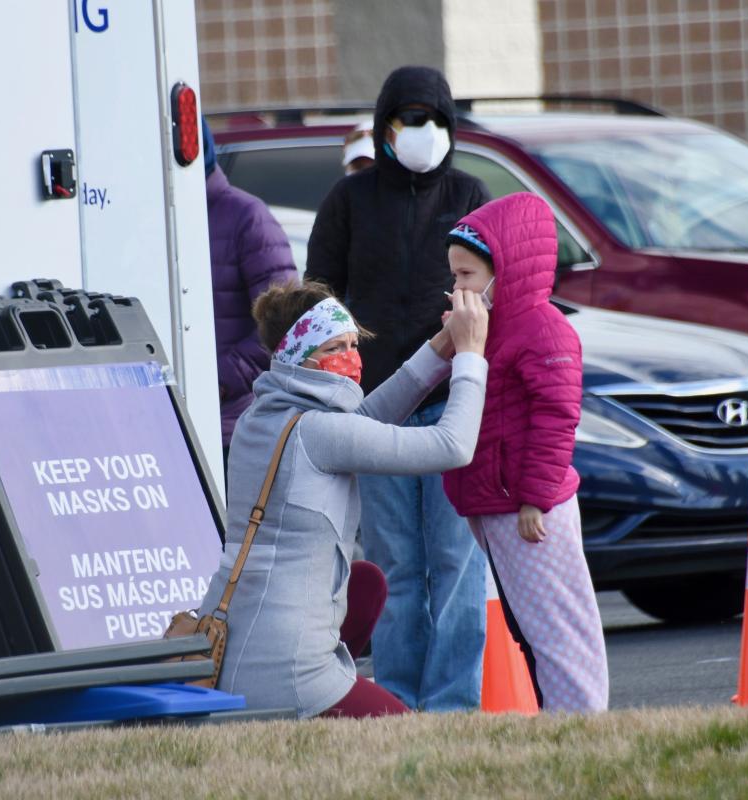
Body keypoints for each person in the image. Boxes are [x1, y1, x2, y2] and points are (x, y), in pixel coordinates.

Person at [197, 280, 489, 719]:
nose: (353, 358)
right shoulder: (320, 432)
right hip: (289, 670)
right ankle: (318, 702)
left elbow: (364, 421)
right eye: (337, 346)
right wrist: (470, 357)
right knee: (408, 741)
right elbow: (452, 446)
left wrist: (443, 346)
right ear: (301, 355)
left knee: (367, 582)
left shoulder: (260, 417)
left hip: (237, 649)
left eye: (354, 344)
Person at [305, 65, 491, 712]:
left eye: (437, 119)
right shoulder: (348, 201)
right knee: (396, 573)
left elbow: (503, 284)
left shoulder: (470, 194)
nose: (425, 132)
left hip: (451, 407)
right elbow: (318, 296)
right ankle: (401, 702)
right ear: (384, 126)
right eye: (411, 118)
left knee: (457, 566)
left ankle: (453, 705)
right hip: (376, 414)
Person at [442, 192, 609, 712]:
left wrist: (535, 498)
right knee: (527, 626)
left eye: (467, 275)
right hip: (496, 505)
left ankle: (580, 722)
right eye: (455, 276)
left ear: (504, 271)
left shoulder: (542, 330)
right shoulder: (485, 330)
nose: (457, 288)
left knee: (556, 626)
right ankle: (555, 719)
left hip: (527, 510)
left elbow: (556, 420)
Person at [202, 117, 297, 477]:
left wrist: (217, 380)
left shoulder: (247, 217)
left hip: (233, 427)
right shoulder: (146, 219)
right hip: (164, 423)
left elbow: (284, 322)